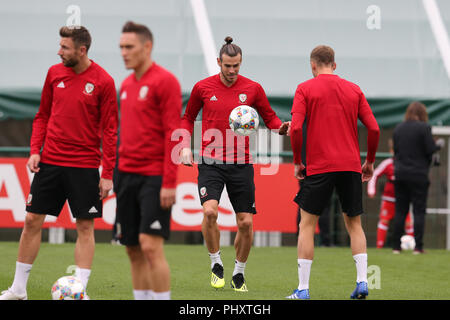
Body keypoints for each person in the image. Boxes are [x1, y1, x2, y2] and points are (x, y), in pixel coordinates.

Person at [0, 26, 118, 300]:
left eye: (64, 47)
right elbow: (42, 115)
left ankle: (79, 290)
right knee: (31, 220)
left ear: (82, 50)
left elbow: (111, 130)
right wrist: (34, 150)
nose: (59, 51)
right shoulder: (54, 74)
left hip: (85, 166)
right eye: (60, 46)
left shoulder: (103, 81)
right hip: (50, 162)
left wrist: (108, 172)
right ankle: (18, 290)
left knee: (85, 226)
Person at [179, 37, 290, 292]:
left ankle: (239, 273)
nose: (232, 71)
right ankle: (216, 262)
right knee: (209, 212)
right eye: (227, 66)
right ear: (219, 62)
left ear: (241, 63)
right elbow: (187, 117)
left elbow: (270, 117)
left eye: (236, 66)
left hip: (241, 164)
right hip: (211, 162)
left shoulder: (253, 88)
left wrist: (280, 128)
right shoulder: (202, 88)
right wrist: (184, 146)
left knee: (246, 223)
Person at [287, 45, 380, 300]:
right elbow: (373, 128)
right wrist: (369, 161)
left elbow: (295, 129)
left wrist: (297, 161)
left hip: (319, 167)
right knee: (354, 224)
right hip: (350, 166)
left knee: (306, 225)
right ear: (335, 65)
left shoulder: (305, 88)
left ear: (312, 65)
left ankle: (303, 290)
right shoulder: (354, 89)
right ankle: (362, 281)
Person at [116, 21, 182, 300]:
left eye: (129, 47)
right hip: (125, 175)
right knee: (131, 247)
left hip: (154, 177)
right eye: (120, 47)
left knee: (150, 246)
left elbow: (174, 135)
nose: (123, 53)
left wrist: (169, 182)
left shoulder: (165, 81)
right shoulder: (127, 84)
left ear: (147, 47)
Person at [391, 102, 444, 254]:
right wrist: (438, 145)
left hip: (400, 174)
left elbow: (396, 151)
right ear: (422, 113)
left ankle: (396, 247)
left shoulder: (398, 128)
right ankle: (418, 247)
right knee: (419, 211)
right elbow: (430, 149)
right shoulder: (424, 128)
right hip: (419, 175)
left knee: (400, 211)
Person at [367, 139, 414, 248]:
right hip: (388, 200)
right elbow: (374, 174)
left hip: (403, 200)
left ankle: (412, 245)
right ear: (391, 151)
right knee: (384, 221)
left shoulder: (408, 164)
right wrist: (371, 190)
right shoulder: (388, 163)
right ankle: (380, 246)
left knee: (408, 223)